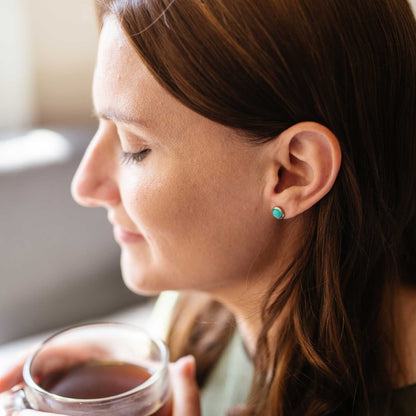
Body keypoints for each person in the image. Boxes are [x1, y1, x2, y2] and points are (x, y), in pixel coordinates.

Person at [1, 0, 416, 415]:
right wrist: (125, 365)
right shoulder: (195, 306)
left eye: (135, 148)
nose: (84, 186)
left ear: (292, 173)